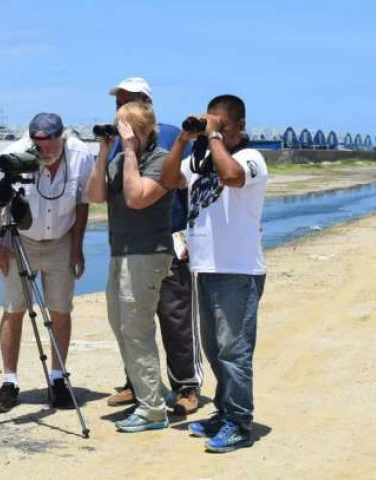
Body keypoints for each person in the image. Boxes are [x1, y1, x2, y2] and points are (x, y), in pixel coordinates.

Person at [160, 95, 268, 453]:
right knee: (214, 349)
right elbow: (169, 177)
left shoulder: (251, 158)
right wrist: (182, 140)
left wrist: (215, 136)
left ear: (238, 126)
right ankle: (223, 413)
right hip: (205, 267)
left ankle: (239, 422)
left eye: (220, 124)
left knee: (234, 351)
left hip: (238, 271)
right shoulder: (200, 158)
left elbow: (233, 177)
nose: (212, 130)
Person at [0, 112, 95, 413]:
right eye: (37, 143)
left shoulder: (81, 155)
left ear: (63, 138)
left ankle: (58, 379)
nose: (42, 150)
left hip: (61, 240)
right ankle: (9, 382)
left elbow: (83, 201)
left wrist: (77, 247)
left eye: (49, 143)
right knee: (13, 309)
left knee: (60, 309)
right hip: (21, 240)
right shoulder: (13, 155)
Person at [104, 77, 202, 416]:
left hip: (170, 235)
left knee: (174, 313)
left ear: (146, 103)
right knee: (133, 320)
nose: (121, 109)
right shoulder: (120, 141)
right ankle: (137, 383)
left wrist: (192, 231)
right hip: (129, 240)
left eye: (128, 101)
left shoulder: (173, 135)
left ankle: (186, 385)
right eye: (118, 103)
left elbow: (191, 179)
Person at [85, 101, 174, 432]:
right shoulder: (120, 158)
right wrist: (104, 151)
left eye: (128, 129)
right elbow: (95, 195)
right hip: (120, 251)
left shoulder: (162, 160)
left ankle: (152, 410)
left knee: (136, 330)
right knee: (120, 324)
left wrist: (129, 151)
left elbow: (137, 198)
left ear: (146, 132)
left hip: (148, 252)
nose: (123, 134)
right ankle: (150, 391)